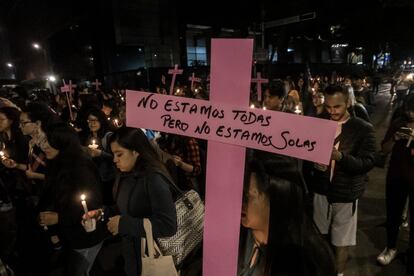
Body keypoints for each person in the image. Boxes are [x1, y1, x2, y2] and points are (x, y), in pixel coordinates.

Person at [86, 127, 177, 276]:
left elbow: (168, 226)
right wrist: (102, 213)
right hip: (132, 254)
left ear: (136, 151)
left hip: (153, 257)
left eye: (119, 154)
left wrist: (123, 224)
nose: (114, 160)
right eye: (113, 154)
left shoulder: (154, 179)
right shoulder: (125, 175)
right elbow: (126, 209)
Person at [305, 85, 376, 276]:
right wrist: (314, 163)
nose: (332, 111)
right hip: (321, 189)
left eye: (337, 106)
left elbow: (368, 162)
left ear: (348, 103)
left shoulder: (362, 128)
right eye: (328, 107)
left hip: (346, 193)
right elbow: (307, 151)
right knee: (319, 234)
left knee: (341, 240)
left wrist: (341, 158)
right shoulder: (319, 123)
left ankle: (339, 273)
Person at [238, 158, 336, 276]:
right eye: (239, 194)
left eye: (247, 196)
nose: (239, 202)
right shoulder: (236, 235)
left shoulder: (306, 259)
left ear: (277, 200)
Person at [38, 123, 108, 275]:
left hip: (85, 235)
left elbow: (93, 207)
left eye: (49, 142)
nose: (44, 146)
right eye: (43, 141)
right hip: (69, 234)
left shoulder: (81, 167)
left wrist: (59, 218)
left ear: (63, 143)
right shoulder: (56, 163)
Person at [376, 94, 414, 274]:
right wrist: (395, 138)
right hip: (397, 176)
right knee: (393, 214)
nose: (411, 114)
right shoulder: (398, 122)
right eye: (408, 110)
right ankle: (390, 247)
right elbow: (383, 149)